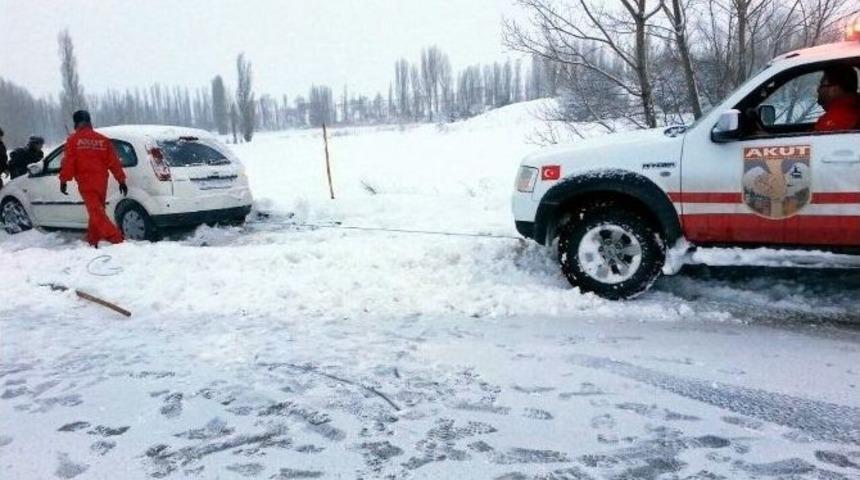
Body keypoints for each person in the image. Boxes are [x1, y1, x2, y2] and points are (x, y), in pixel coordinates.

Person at [59, 110, 128, 247]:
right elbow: (114, 162)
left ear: (76, 123)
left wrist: (64, 180)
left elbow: (69, 162)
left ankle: (116, 239)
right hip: (102, 181)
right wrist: (121, 180)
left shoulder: (73, 140)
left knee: (96, 212)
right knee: (97, 210)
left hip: (86, 181)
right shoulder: (103, 139)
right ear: (89, 121)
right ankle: (93, 239)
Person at [814, 64, 860, 132]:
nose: (818, 90)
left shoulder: (834, 120)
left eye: (821, 85)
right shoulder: (853, 109)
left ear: (834, 89)